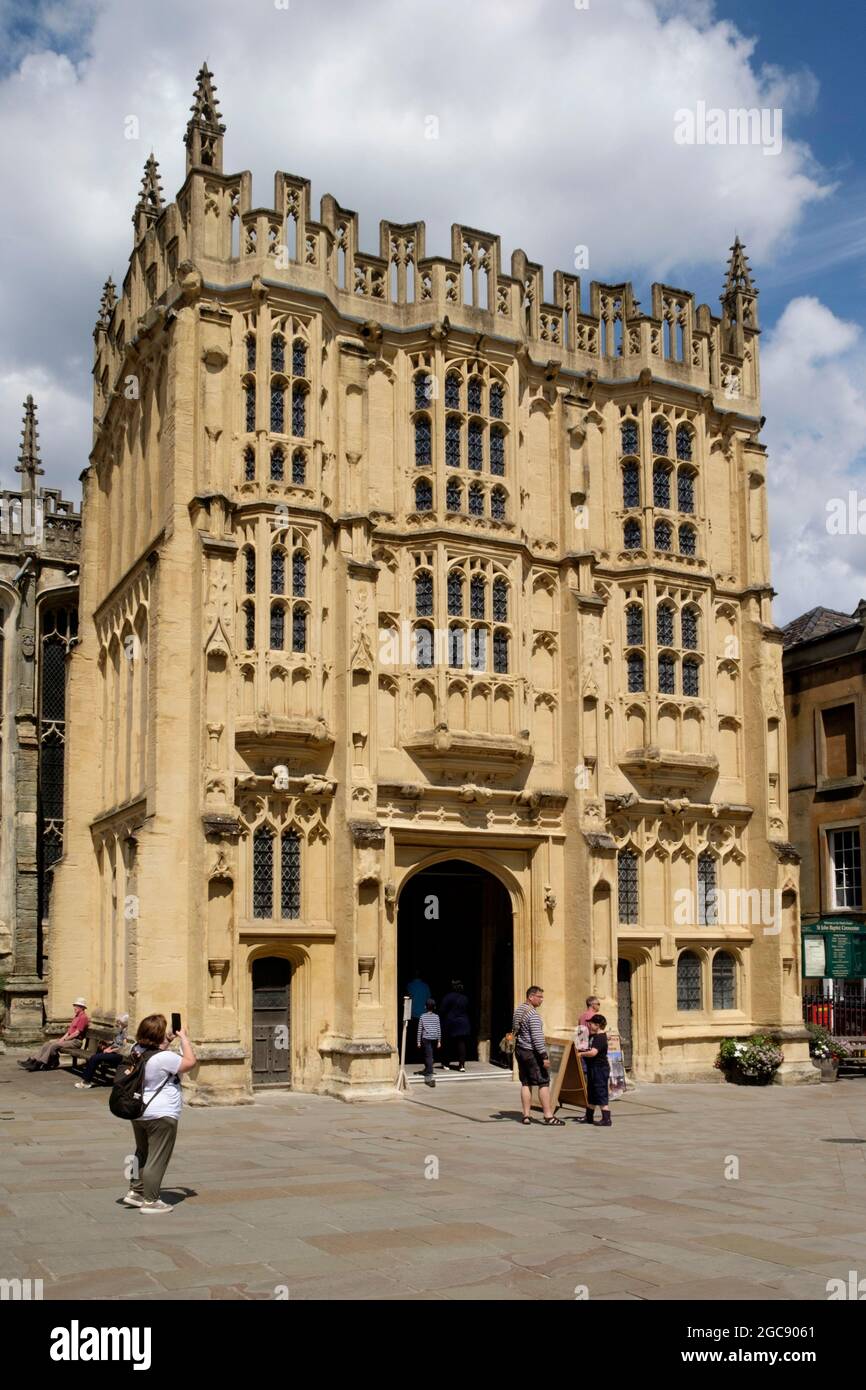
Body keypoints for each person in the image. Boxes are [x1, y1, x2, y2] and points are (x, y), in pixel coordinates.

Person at [122, 1014, 196, 1213]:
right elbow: (190, 1062)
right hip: (161, 1114)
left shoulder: (136, 1051)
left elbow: (156, 1049)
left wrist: (168, 1039)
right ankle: (151, 1201)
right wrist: (185, 1039)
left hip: (138, 1110)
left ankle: (135, 1192)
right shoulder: (165, 1058)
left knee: (142, 1152)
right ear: (158, 1035)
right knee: (157, 1157)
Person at [512, 985, 564, 1125]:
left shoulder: (519, 1010)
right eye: (539, 997)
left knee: (526, 1083)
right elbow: (537, 1038)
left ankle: (526, 1115)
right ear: (531, 997)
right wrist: (544, 1057)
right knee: (543, 1082)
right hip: (531, 1052)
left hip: (520, 1050)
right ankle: (548, 1116)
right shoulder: (533, 1014)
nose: (542, 1000)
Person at [18, 998, 90, 1071]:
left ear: (82, 1008)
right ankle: (33, 1060)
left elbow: (76, 1033)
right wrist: (62, 1039)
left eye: (77, 1006)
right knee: (48, 1043)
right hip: (70, 1040)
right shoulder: (76, 1017)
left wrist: (65, 1040)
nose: (74, 1008)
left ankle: (40, 1063)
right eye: (75, 1005)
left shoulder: (83, 1018)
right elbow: (69, 1032)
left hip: (76, 1042)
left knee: (54, 1045)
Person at [74, 1014, 130, 1089]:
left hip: (120, 1055)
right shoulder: (121, 1031)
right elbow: (115, 1043)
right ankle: (89, 1076)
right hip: (114, 1052)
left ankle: (86, 1082)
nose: (118, 1024)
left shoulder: (126, 1033)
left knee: (95, 1058)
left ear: (124, 1023)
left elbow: (124, 1048)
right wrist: (108, 1047)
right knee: (96, 1055)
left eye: (119, 1022)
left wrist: (110, 1050)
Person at [579, 1014, 612, 1127]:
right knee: (592, 1092)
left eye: (592, 1023)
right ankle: (589, 1117)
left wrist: (581, 1054)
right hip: (593, 1068)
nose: (589, 1025)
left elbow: (593, 1052)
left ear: (597, 1025)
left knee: (600, 1092)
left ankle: (606, 1119)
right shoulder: (594, 1036)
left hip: (600, 1069)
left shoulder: (600, 1038)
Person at [439, 980, 471, 1071]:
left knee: (448, 1043)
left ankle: (446, 1063)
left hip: (451, 1022)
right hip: (463, 1022)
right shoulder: (465, 998)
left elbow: (442, 1010)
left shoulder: (448, 997)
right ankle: (462, 1065)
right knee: (461, 1043)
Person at [405, 969, 432, 1062]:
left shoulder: (410, 985)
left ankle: (414, 1056)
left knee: (413, 1036)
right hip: (424, 1015)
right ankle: (423, 1057)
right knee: (424, 1037)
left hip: (413, 1015)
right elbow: (429, 1000)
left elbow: (407, 1000)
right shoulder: (425, 986)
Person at [417, 998, 441, 1088]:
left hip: (426, 1038)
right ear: (434, 1007)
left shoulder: (422, 1016)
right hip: (434, 1038)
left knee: (428, 1056)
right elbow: (439, 1029)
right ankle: (427, 1069)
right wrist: (439, 1041)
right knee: (429, 1055)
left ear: (425, 1007)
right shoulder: (436, 1016)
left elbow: (420, 1030)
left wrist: (418, 1041)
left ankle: (429, 1078)